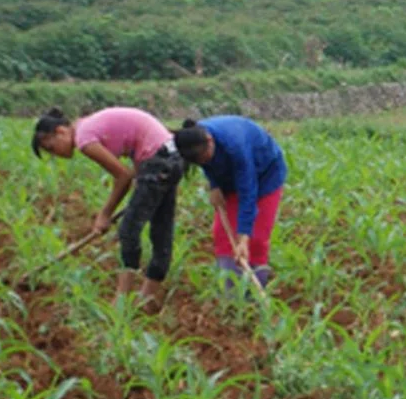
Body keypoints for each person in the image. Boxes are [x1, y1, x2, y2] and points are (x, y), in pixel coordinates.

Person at [31, 106, 184, 308]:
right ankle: (148, 299)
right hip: (171, 157)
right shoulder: (88, 125)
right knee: (161, 231)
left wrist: (105, 214)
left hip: (157, 162)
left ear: (61, 131)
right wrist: (141, 177)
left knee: (128, 231)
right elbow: (136, 140)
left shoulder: (84, 138)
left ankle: (120, 302)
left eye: (51, 148)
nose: (55, 155)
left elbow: (123, 176)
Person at [172, 116, 287, 290]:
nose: (203, 162)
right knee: (222, 234)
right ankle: (231, 292)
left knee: (256, 237)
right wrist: (215, 185)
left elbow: (248, 193)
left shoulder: (235, 146)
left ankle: (255, 291)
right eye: (198, 162)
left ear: (210, 141)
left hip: (265, 175)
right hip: (228, 178)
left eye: (204, 157)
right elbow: (206, 163)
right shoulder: (193, 138)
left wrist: (243, 236)